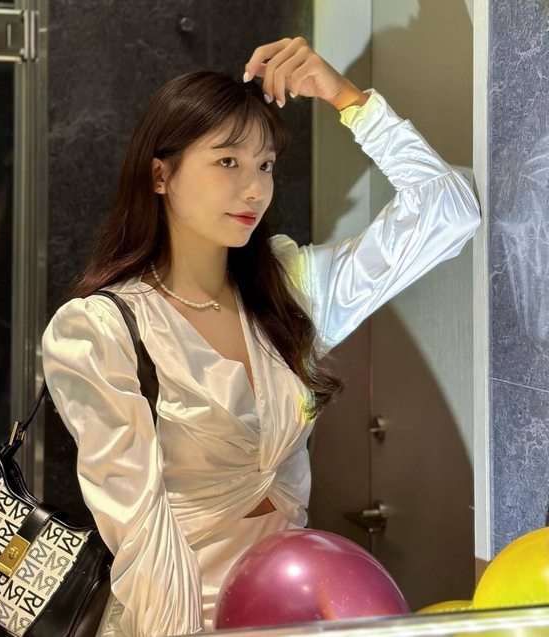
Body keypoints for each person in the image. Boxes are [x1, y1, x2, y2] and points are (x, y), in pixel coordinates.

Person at [41, 37, 481, 636]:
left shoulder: (289, 293)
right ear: (161, 174)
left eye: (265, 165)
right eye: (228, 162)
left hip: (293, 613)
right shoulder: (100, 330)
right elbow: (141, 533)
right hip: (175, 619)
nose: (254, 189)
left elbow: (450, 213)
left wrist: (347, 99)